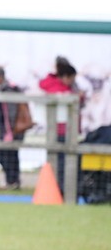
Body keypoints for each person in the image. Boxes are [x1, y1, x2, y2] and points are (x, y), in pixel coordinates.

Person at [39, 56, 82, 195]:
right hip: (62, 131)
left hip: (58, 131)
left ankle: (60, 189)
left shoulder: (51, 85)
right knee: (63, 163)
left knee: (59, 162)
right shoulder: (60, 90)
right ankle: (61, 190)